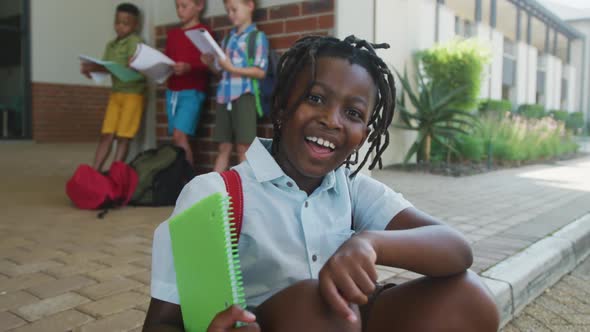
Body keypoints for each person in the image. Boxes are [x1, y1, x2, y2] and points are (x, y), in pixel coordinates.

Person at [143, 35, 500, 332]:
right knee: (321, 310)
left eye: (353, 113)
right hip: (287, 322)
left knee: (467, 296)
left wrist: (370, 244)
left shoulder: (351, 188)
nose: (332, 120)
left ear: (363, 135)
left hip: (345, 321)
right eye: (315, 99)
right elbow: (160, 324)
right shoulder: (216, 195)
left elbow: (456, 249)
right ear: (281, 107)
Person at [201, 0, 269, 172]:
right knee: (224, 147)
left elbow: (260, 71)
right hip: (224, 97)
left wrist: (232, 68)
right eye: (228, 11)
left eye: (234, 10)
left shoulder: (257, 38)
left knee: (244, 147)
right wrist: (210, 64)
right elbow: (220, 70)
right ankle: (215, 190)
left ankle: (245, 191)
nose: (230, 15)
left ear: (250, 6)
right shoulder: (228, 39)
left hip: (244, 95)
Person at [80, 3, 146, 171]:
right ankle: (95, 172)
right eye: (117, 22)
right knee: (106, 134)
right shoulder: (111, 45)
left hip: (133, 95)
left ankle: (116, 174)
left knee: (124, 137)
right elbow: (107, 67)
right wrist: (92, 70)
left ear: (135, 25)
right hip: (115, 95)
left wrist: (133, 65)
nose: (120, 26)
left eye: (125, 23)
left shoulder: (136, 42)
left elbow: (137, 67)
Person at [164, 0, 212, 166]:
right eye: (177, 6)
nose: (179, 10)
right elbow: (167, 59)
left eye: (184, 6)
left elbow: (210, 63)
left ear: (199, 6)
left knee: (180, 135)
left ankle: (189, 181)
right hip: (172, 91)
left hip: (192, 91)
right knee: (176, 138)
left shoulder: (203, 32)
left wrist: (189, 67)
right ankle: (180, 180)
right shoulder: (172, 34)